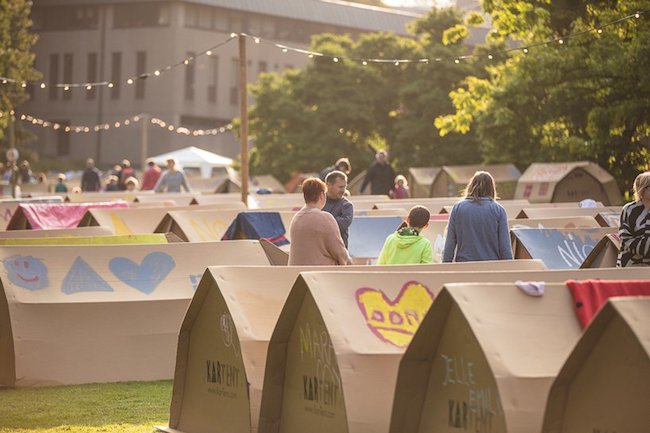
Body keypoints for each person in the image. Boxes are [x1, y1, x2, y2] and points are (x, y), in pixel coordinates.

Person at [442, 171, 512, 262]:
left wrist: (445, 266)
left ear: (471, 186)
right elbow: (505, 246)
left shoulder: (458, 208)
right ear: (491, 188)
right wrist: (510, 268)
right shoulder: (499, 210)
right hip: (491, 267)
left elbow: (449, 244)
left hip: (464, 267)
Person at [288, 177, 351, 266]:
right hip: (321, 275)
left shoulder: (296, 219)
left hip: (296, 273)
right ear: (322, 195)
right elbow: (340, 253)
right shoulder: (325, 218)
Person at [617, 171, 650, 267]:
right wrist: (646, 248)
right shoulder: (628, 210)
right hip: (631, 264)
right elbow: (625, 240)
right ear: (642, 189)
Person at [323, 170, 354, 248]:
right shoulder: (318, 202)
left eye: (345, 187)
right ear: (329, 185)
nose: (343, 190)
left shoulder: (347, 205)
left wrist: (322, 220)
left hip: (339, 252)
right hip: (320, 250)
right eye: (340, 187)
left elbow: (343, 224)